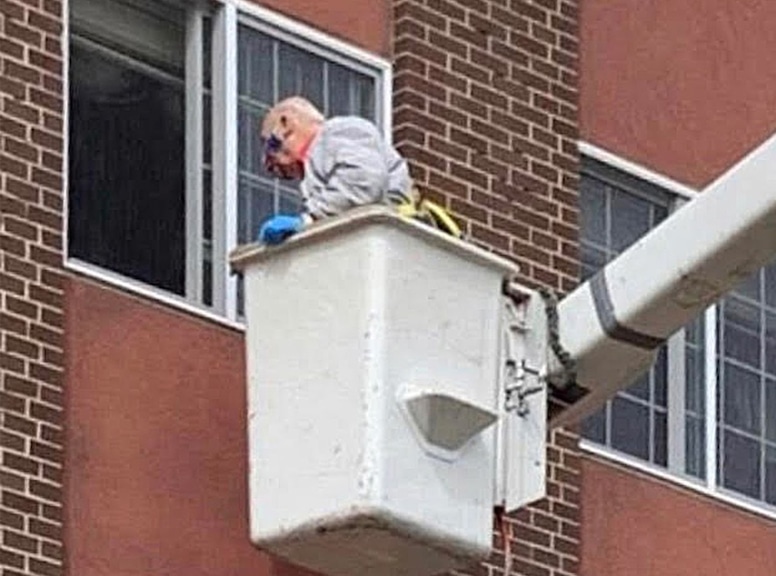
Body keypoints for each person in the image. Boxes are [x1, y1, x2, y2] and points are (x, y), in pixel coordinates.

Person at [257, 96, 412, 244]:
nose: (276, 165)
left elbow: (364, 182)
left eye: (272, 146)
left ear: (286, 124)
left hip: (389, 234)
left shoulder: (337, 132)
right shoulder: (316, 160)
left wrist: (310, 219)